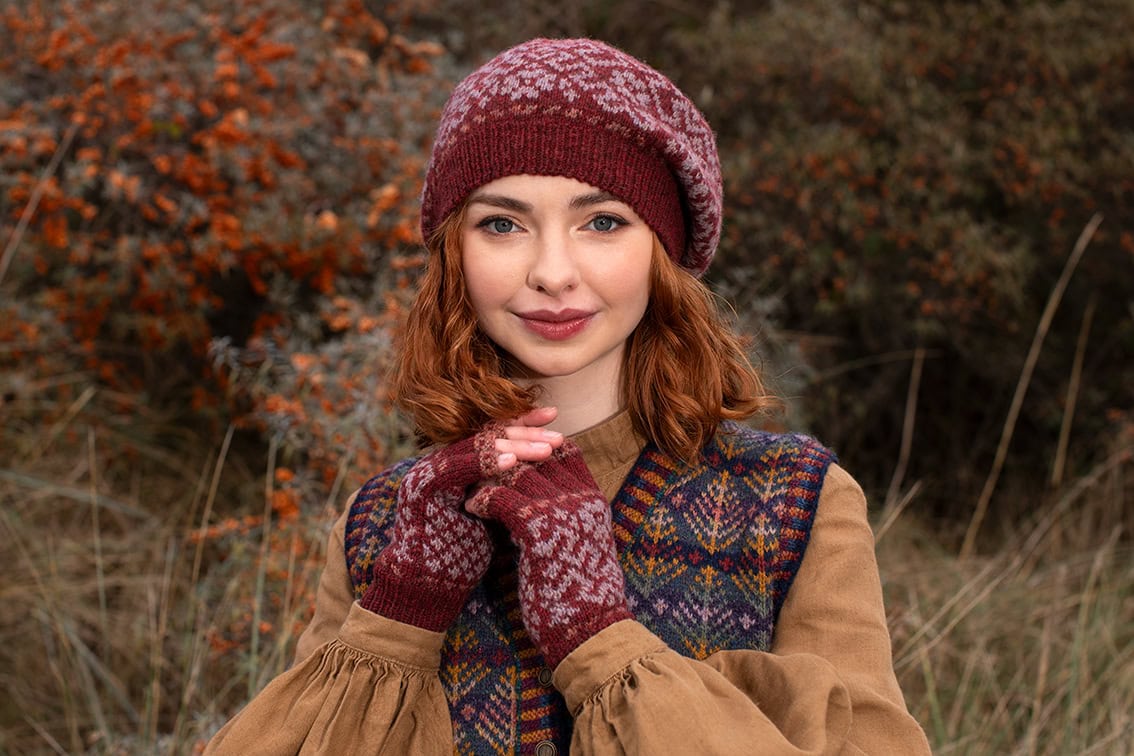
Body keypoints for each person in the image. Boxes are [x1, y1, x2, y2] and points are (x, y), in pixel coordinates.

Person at [205, 38, 931, 755]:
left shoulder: (795, 504)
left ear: (662, 251)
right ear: (456, 252)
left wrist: (600, 643)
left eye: (603, 222)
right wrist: (401, 617)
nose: (553, 271)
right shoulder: (384, 522)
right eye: (502, 224)